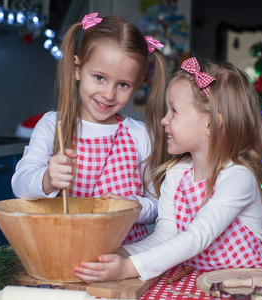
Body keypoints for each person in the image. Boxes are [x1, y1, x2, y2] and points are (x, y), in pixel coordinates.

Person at [74, 57, 262, 282]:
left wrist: (129, 268)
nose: (164, 120)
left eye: (174, 111)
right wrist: (119, 254)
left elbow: (196, 237)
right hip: (195, 286)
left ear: (210, 124)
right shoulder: (177, 174)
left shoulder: (238, 178)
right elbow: (165, 236)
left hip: (247, 290)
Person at [11, 13, 169, 244]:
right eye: (99, 77)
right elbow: (20, 185)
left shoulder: (141, 135)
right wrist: (47, 179)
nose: (109, 94)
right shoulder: (53, 125)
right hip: (62, 249)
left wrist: (134, 207)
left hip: (122, 257)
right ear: (77, 69)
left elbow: (158, 205)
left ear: (137, 84)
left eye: (123, 84)